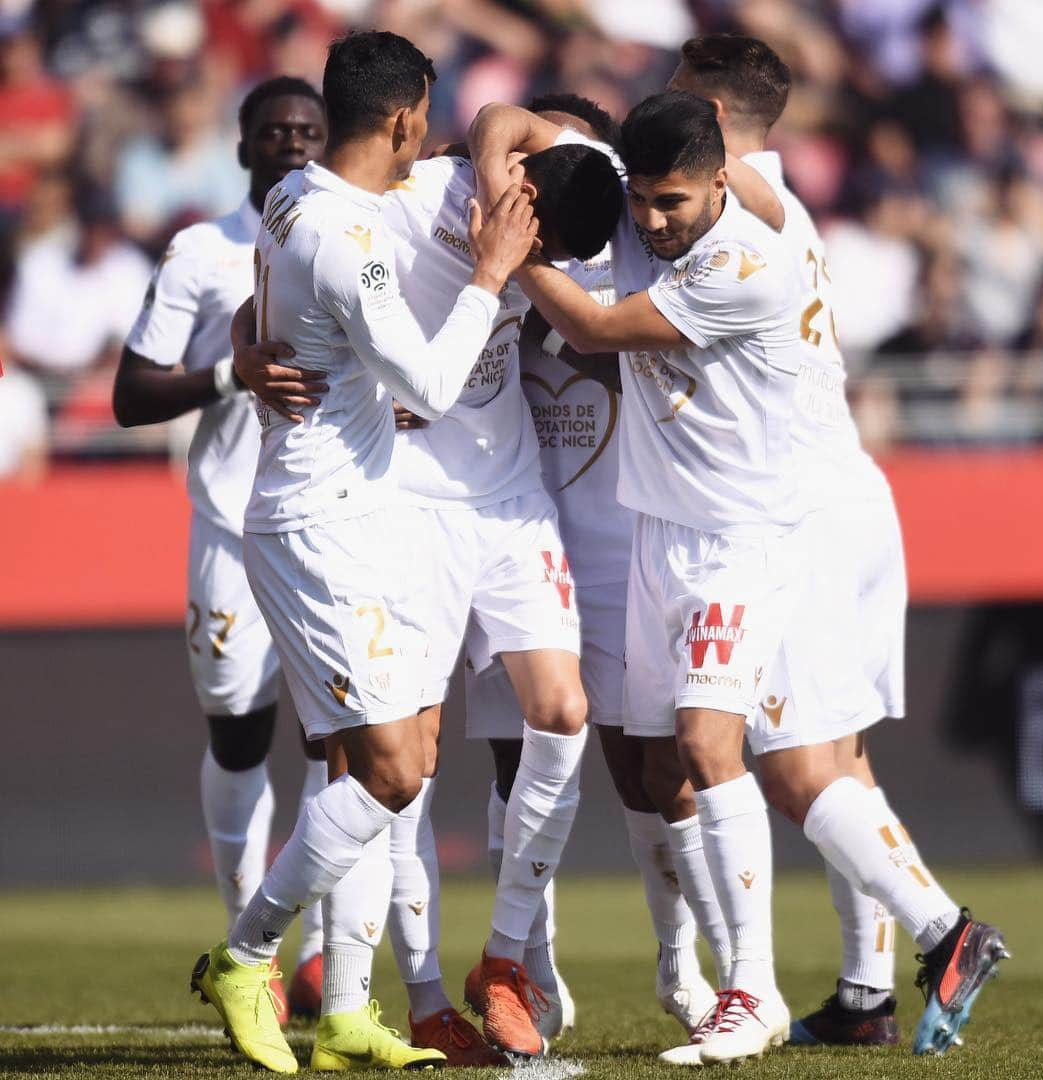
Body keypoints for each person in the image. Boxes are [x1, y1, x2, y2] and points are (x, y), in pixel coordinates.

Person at [235, 115, 625, 1063]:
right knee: (401, 765)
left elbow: (524, 135)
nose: (554, 272)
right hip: (403, 503)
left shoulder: (587, 190)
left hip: (510, 493)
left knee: (563, 712)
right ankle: (408, 999)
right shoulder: (410, 197)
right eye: (551, 252)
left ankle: (505, 960)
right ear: (523, 184)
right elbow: (281, 271)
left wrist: (522, 256)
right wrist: (247, 350)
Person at [188, 29, 536, 1075]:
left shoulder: (295, 189)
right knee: (388, 772)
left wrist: (254, 348)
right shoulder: (349, 237)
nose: (426, 131)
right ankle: (247, 954)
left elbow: (266, 293)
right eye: (422, 115)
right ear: (400, 117)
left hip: (360, 506)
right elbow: (429, 385)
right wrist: (492, 270)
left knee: (397, 756)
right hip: (321, 523)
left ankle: (346, 1009)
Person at [666, 33, 1009, 1057]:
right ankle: (864, 993)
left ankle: (948, 931)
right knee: (841, 759)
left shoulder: (735, 214)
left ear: (716, 123)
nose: (662, 120)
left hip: (799, 515)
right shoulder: (782, 197)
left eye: (678, 106)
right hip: (849, 490)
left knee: (794, 767)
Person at [468, 89, 812, 1064]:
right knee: (658, 769)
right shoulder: (634, 192)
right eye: (644, 202)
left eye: (675, 205)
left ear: (718, 184)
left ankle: (754, 988)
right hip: (661, 537)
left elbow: (589, 330)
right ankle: (691, 973)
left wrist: (511, 248)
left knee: (707, 748)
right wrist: (500, 172)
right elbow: (508, 114)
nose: (652, 224)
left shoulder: (744, 264)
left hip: (734, 537)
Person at [113, 76, 330, 1022]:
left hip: (334, 524)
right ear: (242, 146)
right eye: (274, 131)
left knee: (347, 743)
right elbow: (130, 394)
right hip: (233, 529)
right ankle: (253, 946)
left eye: (309, 131)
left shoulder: (360, 239)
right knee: (240, 732)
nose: (291, 143)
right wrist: (227, 373)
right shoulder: (202, 253)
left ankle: (326, 952)